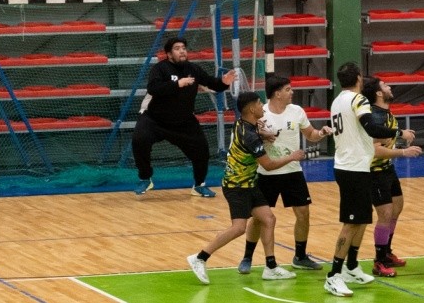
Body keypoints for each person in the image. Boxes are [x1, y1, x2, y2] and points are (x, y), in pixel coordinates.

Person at [187, 91, 306, 284]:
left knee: (268, 219)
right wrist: (292, 157)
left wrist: (264, 134)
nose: (262, 107)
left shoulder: (242, 124)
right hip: (237, 186)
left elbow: (253, 133)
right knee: (239, 228)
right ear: (251, 109)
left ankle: (271, 267)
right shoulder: (250, 136)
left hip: (249, 183)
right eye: (260, 104)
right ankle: (200, 258)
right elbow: (268, 165)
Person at [323, 62, 415, 298]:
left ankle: (352, 265)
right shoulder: (358, 101)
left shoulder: (337, 101)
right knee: (351, 222)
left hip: (355, 166)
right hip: (352, 167)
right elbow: (372, 128)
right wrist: (399, 134)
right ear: (359, 79)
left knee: (362, 219)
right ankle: (334, 274)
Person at [236, 75, 334, 274]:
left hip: (292, 172)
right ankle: (247, 256)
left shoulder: (297, 111)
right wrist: (263, 135)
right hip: (266, 172)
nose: (292, 92)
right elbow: (248, 138)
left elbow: (311, 135)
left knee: (303, 213)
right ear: (277, 93)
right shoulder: (259, 113)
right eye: (288, 89)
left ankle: (300, 256)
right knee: (258, 218)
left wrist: (321, 133)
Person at [131, 37, 235, 197]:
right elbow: (153, 88)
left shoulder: (193, 69)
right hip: (155, 119)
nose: (182, 51)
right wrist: (177, 84)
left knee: (202, 151)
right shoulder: (160, 69)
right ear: (169, 54)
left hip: (183, 121)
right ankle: (145, 178)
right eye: (177, 48)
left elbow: (212, 84)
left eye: (184, 48)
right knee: (139, 140)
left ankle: (199, 185)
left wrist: (224, 82)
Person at [361, 76, 423, 278]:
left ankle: (386, 252)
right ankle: (379, 261)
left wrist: (395, 145)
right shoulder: (377, 117)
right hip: (374, 172)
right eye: (385, 86)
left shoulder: (385, 113)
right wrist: (403, 152)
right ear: (379, 93)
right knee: (385, 214)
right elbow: (375, 150)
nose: (389, 87)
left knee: (397, 207)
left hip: (387, 169)